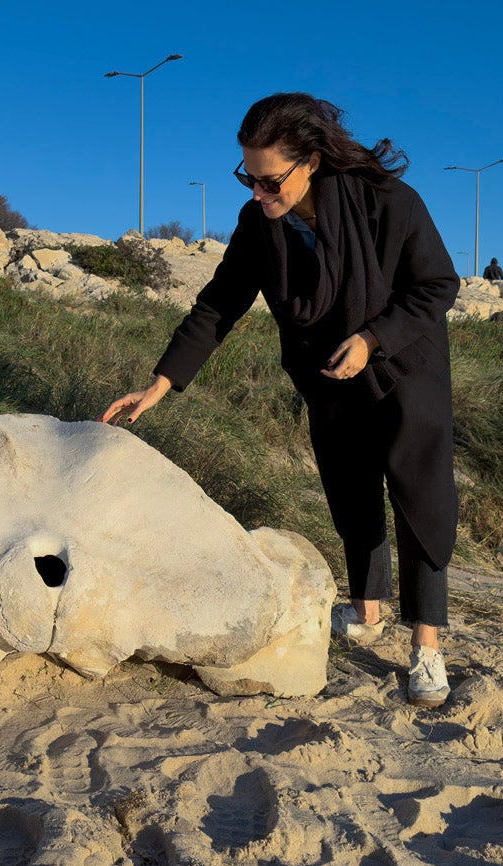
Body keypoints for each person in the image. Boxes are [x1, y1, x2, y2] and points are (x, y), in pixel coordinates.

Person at [101, 92, 460, 708]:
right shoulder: (258, 225)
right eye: (249, 177)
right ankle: (366, 610)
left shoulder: (390, 204)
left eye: (271, 181)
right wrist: (161, 382)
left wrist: (373, 339)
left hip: (405, 367)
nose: (259, 193)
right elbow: (219, 303)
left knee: (419, 498)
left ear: (312, 160)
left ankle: (426, 645)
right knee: (350, 488)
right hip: (326, 373)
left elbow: (436, 285)